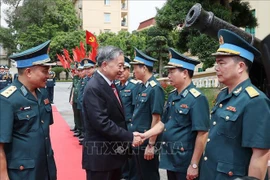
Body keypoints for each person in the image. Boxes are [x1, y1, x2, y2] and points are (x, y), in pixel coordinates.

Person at [199, 29, 270, 179]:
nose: (216, 67)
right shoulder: (223, 95)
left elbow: (260, 155)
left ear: (240, 66)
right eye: (216, 63)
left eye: (221, 62)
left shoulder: (255, 101)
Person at [82, 46, 142, 180]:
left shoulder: (110, 84)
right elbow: (102, 123)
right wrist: (130, 136)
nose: (122, 70)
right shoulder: (95, 87)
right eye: (119, 66)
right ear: (104, 65)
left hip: (112, 155)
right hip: (101, 158)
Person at [0, 40, 57, 180]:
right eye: (45, 71)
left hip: (45, 168)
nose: (48, 75)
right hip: (23, 174)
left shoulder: (42, 93)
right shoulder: (7, 99)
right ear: (29, 72)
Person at [129, 48, 165, 180]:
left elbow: (156, 118)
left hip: (147, 140)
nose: (134, 71)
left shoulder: (155, 89)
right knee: (138, 174)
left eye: (135, 68)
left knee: (149, 174)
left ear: (143, 68)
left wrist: (151, 144)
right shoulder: (141, 87)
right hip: (138, 138)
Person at [116, 56, 140, 180]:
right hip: (119, 126)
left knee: (132, 154)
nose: (121, 72)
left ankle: (132, 176)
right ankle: (123, 175)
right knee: (120, 151)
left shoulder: (134, 86)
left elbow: (136, 108)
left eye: (124, 69)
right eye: (119, 69)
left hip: (130, 124)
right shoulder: (115, 85)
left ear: (129, 70)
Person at [77, 58, 96, 145]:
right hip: (84, 106)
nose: (87, 70)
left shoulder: (95, 79)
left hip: (92, 107)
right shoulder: (86, 79)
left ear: (94, 68)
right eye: (86, 69)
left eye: (89, 68)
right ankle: (86, 138)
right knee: (85, 124)